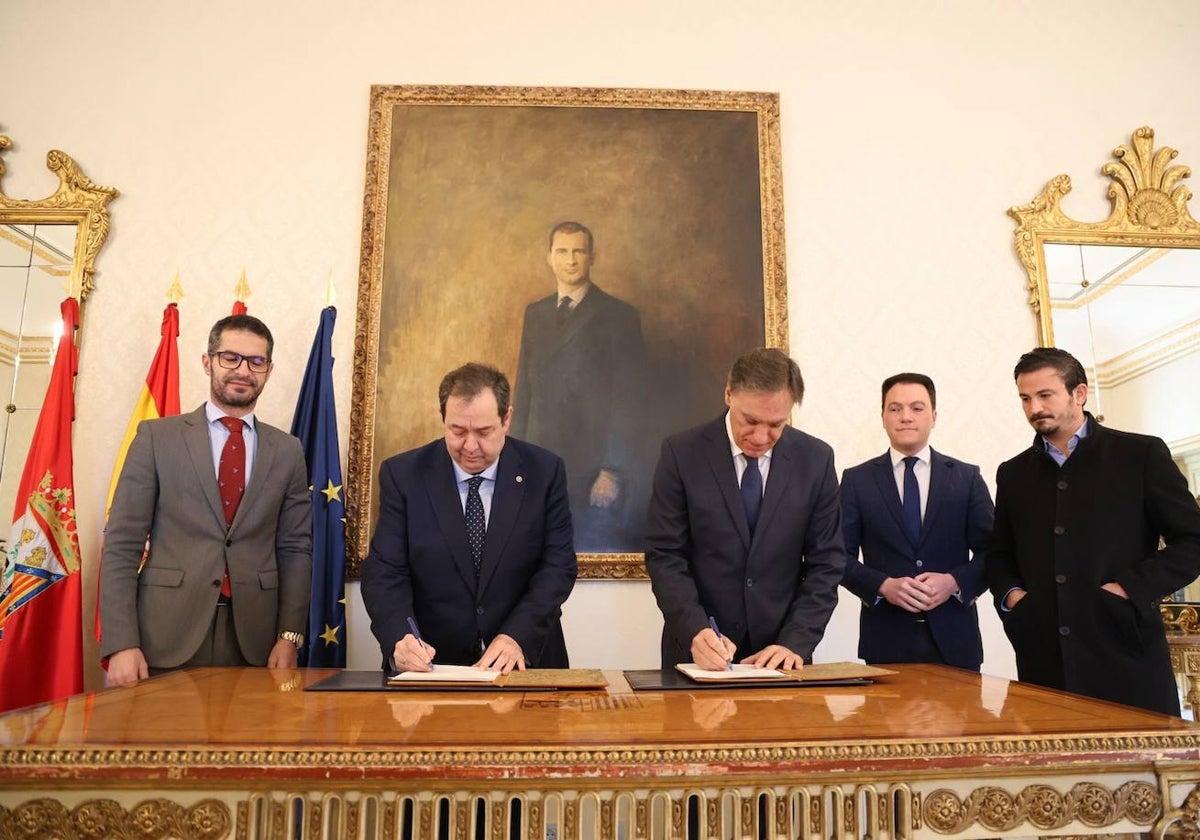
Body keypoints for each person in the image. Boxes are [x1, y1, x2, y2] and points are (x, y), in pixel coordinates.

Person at [100, 314, 312, 686]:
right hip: (164, 636)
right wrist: (121, 642)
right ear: (207, 361)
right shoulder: (156, 438)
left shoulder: (287, 450)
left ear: (269, 370)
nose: (243, 370)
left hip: (256, 642)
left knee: (247, 745)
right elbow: (121, 543)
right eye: (230, 357)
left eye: (256, 361)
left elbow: (295, 548)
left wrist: (289, 635)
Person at [987, 347, 1200, 715]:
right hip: (1044, 665)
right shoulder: (1013, 472)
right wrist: (1014, 599)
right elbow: (999, 554)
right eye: (1025, 398)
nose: (1034, 408)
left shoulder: (1140, 455)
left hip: (1127, 657)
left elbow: (1193, 541)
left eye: (1045, 395)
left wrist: (1128, 589)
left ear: (1079, 394)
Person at [361, 362, 577, 673]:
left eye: (484, 432)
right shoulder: (404, 475)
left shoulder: (544, 472)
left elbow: (558, 565)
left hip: (524, 663)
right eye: (458, 431)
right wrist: (400, 637)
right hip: (433, 667)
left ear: (507, 419)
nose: (470, 446)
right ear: (443, 420)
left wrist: (517, 635)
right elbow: (384, 572)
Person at [644, 347, 845, 671]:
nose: (761, 436)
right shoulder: (682, 453)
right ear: (728, 394)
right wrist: (695, 630)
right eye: (750, 421)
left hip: (782, 656)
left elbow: (827, 562)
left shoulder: (815, 459)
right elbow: (665, 554)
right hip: (699, 652)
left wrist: (795, 641)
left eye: (776, 424)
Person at [840, 373, 994, 671]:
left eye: (917, 408)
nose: (906, 417)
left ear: (933, 416)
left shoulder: (966, 477)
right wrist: (883, 586)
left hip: (956, 640)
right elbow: (836, 557)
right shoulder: (856, 480)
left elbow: (995, 552)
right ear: (883, 417)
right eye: (895, 409)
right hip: (885, 640)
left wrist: (954, 583)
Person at [512, 221, 647, 552]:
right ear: (549, 258)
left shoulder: (620, 316)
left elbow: (629, 403)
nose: (570, 260)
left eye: (578, 251)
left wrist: (612, 472)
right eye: (562, 251)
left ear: (592, 257)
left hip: (592, 472)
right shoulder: (536, 313)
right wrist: (513, 462)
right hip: (538, 464)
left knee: (587, 562)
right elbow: (524, 392)